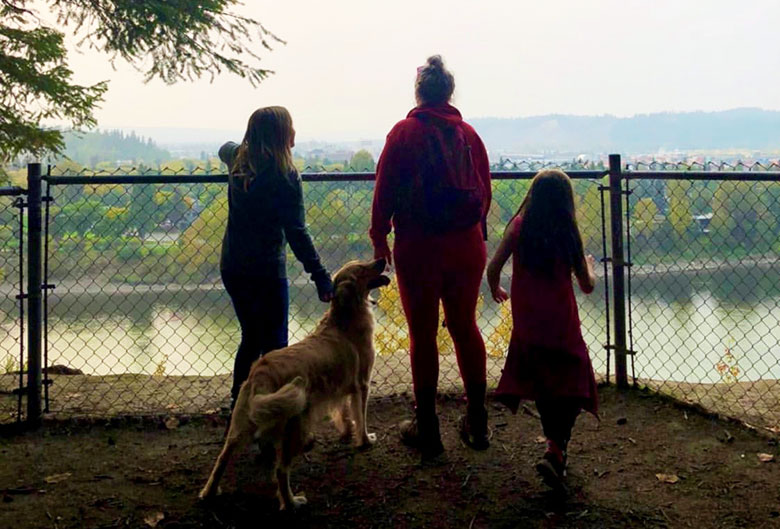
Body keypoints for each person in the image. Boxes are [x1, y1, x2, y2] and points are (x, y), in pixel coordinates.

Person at [370, 55, 492, 460]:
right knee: (465, 327)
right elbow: (485, 196)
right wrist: (477, 239)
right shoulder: (470, 136)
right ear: (449, 93)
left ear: (419, 93)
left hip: (418, 248)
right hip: (466, 246)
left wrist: (379, 238)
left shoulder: (403, 133)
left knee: (423, 336)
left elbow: (383, 191)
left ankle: (428, 429)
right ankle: (477, 422)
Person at [486, 169, 598, 491]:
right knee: (574, 384)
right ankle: (557, 448)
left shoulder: (519, 228)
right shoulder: (568, 231)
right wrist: (589, 264)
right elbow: (587, 286)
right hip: (562, 325)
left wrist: (496, 289)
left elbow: (493, 267)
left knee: (545, 384)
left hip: (528, 325)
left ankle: (554, 448)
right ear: (566, 201)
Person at [219, 106, 333, 411]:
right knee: (275, 346)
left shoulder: (238, 163)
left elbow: (224, 148)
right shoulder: (285, 177)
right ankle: (275, 415)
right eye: (290, 127)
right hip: (266, 271)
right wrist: (321, 276)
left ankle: (239, 405)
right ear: (281, 135)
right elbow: (297, 233)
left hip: (233, 266)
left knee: (251, 338)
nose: (295, 132)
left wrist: (239, 150)